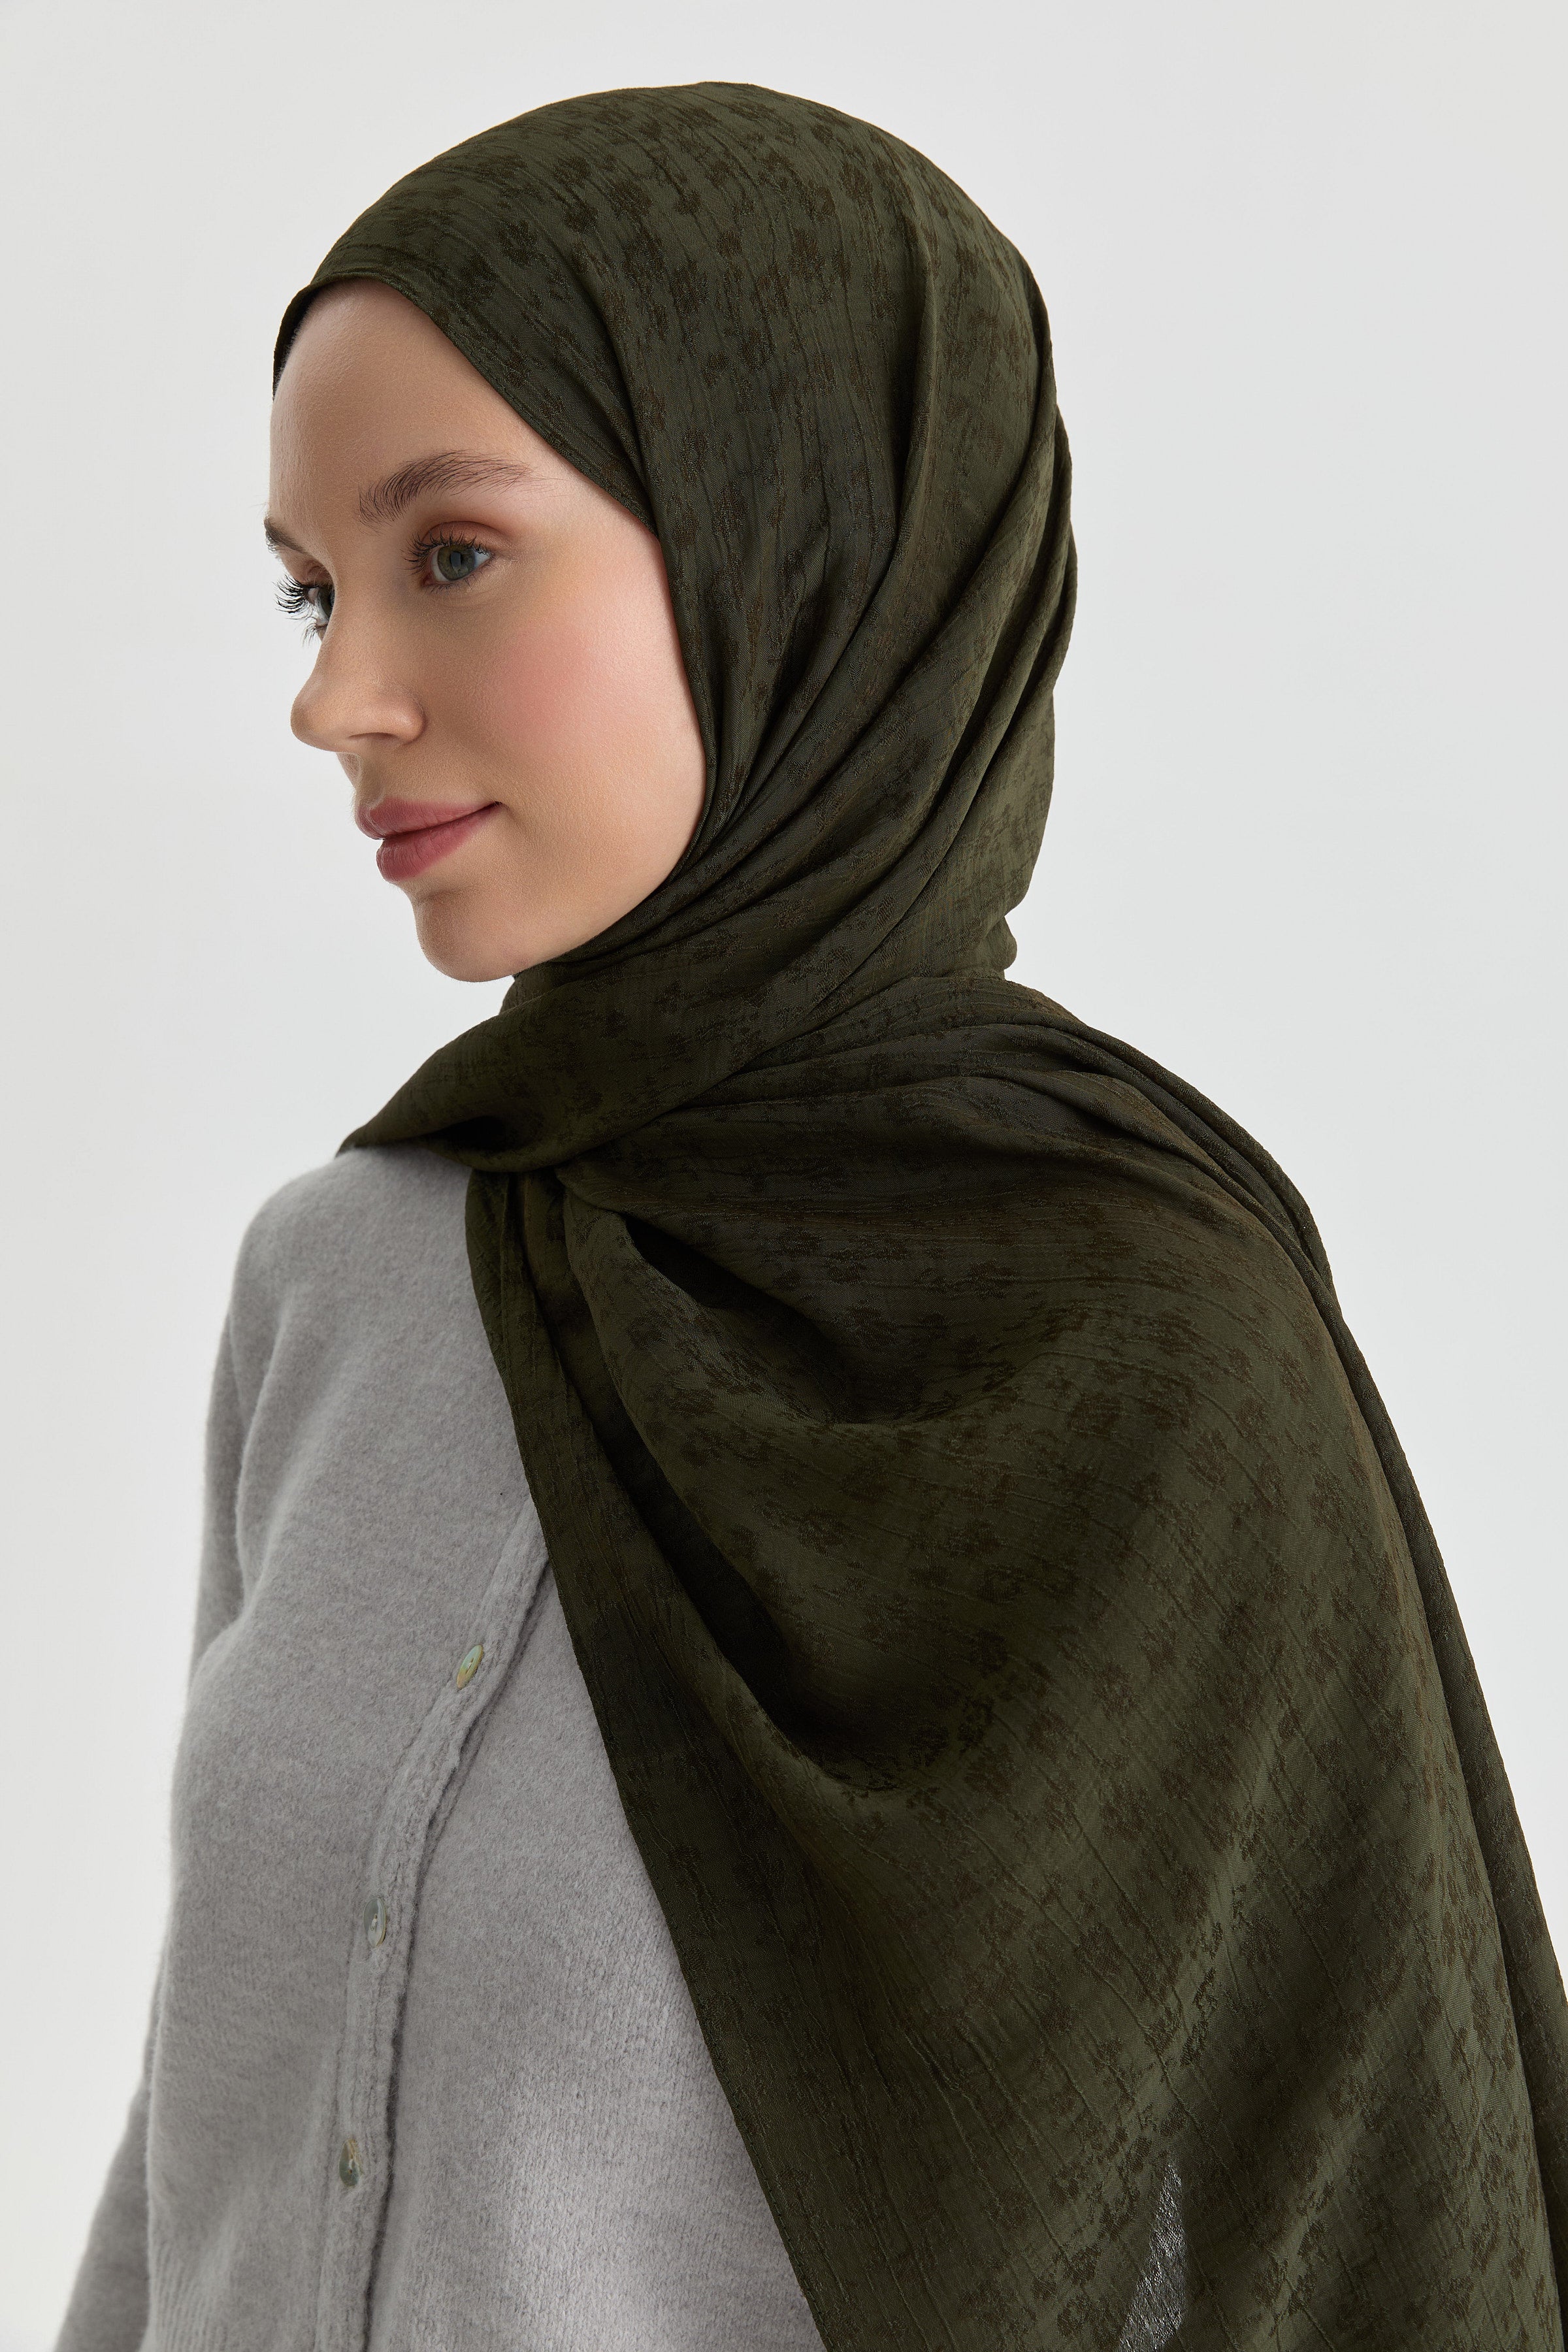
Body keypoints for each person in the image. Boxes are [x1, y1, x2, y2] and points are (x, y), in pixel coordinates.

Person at [58, 79, 1567, 2352]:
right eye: (310, 589)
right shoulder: (344, 1276)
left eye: (448, 554)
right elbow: (200, 2139)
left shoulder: (1140, 1351)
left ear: (795, 547)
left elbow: (1301, 2231)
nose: (333, 697)